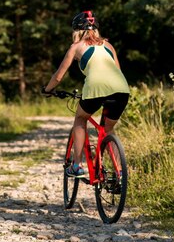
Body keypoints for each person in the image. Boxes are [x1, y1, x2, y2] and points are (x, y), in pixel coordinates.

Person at [42, 10, 129, 178]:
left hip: (95, 88)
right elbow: (117, 70)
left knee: (80, 119)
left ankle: (76, 165)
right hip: (121, 89)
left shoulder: (75, 47)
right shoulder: (109, 45)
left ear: (77, 31)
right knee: (108, 129)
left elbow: (58, 76)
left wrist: (47, 90)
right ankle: (119, 173)